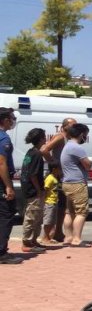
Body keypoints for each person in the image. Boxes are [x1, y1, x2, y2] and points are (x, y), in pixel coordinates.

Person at [40, 116, 76, 242]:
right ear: (65, 127)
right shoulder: (60, 137)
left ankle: (58, 232)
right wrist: (55, 166)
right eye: (73, 125)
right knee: (52, 205)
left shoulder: (70, 139)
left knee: (62, 205)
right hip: (56, 176)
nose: (75, 128)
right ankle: (46, 235)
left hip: (64, 176)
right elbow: (44, 150)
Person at [60, 123, 92, 246]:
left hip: (67, 182)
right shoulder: (77, 147)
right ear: (81, 134)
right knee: (82, 212)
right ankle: (76, 239)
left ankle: (68, 237)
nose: (86, 137)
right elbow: (87, 164)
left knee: (69, 212)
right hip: (77, 183)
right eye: (85, 135)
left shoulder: (67, 145)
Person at [0, 108, 23, 264]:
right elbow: (1, 163)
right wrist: (8, 186)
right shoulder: (3, 139)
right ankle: (1, 252)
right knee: (6, 216)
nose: (13, 121)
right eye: (12, 118)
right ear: (6, 120)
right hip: (1, 184)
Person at [20, 128, 48, 253]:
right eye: (44, 137)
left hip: (28, 188)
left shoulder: (31, 152)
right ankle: (27, 241)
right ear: (41, 139)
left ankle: (33, 240)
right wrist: (39, 190)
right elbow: (33, 174)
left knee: (37, 216)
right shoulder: (37, 154)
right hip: (33, 190)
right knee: (32, 216)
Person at [41, 164, 62, 245]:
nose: (60, 170)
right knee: (48, 220)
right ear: (54, 169)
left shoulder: (55, 178)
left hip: (54, 201)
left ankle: (49, 237)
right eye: (59, 169)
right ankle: (45, 237)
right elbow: (45, 189)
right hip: (49, 202)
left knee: (52, 221)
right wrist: (44, 201)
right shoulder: (49, 178)